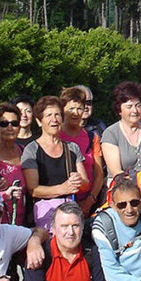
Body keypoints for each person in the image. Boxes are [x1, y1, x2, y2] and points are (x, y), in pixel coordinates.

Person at [22, 96, 89, 230]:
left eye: (57, 115)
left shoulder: (72, 148)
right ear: (39, 121)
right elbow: (33, 190)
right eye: (49, 115)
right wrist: (62, 189)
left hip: (70, 209)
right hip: (45, 211)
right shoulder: (32, 149)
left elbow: (85, 184)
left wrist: (78, 181)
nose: (54, 119)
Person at [101, 81, 141, 180]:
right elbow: (116, 172)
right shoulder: (110, 133)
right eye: (129, 107)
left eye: (138, 105)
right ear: (119, 110)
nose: (135, 110)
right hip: (122, 185)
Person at [60, 86, 106, 215]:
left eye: (79, 108)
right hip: (61, 201)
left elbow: (99, 174)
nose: (75, 113)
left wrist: (89, 201)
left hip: (88, 202)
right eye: (71, 109)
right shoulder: (56, 135)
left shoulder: (92, 137)